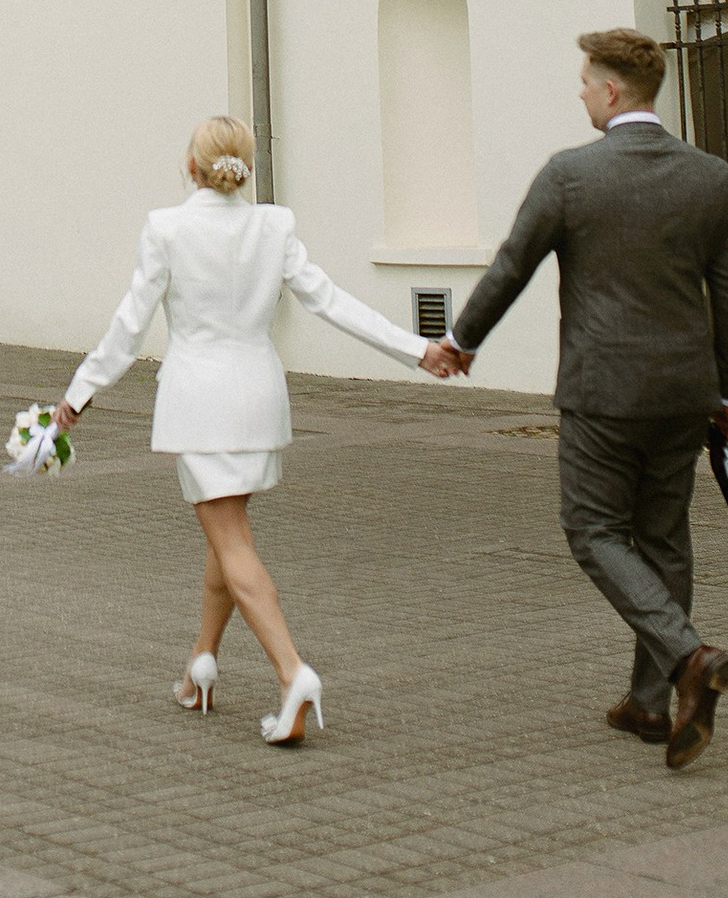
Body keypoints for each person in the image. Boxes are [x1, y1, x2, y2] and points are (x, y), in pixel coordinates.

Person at [54, 113, 462, 743]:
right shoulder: (274, 226)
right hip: (258, 401)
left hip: (201, 408)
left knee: (233, 543)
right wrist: (417, 348)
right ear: (245, 168)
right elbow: (331, 302)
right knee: (227, 536)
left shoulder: (167, 228)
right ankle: (201, 663)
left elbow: (129, 326)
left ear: (191, 165)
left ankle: (293, 672)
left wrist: (79, 394)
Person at [442, 27, 728, 771]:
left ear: (611, 91)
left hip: (603, 390)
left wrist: (462, 339)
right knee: (664, 538)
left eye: (586, 81)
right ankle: (649, 705)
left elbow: (513, 264)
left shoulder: (571, 175)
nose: (580, 91)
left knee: (593, 530)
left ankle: (689, 657)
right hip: (684, 392)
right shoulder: (712, 178)